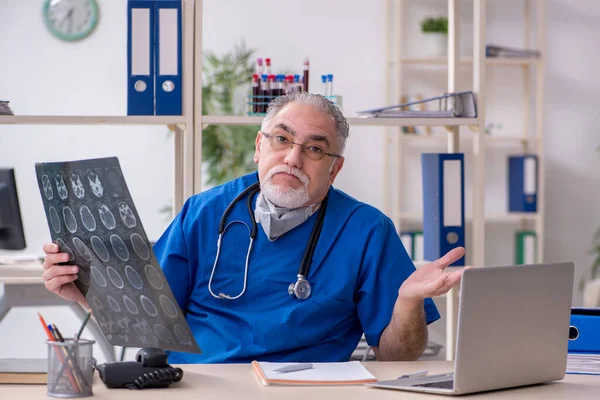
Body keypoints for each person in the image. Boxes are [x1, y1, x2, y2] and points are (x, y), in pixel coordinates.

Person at [41, 92, 465, 364]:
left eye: (314, 148)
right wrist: (84, 295)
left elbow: (398, 356)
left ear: (334, 169)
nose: (293, 159)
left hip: (309, 392)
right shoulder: (204, 213)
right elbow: (149, 325)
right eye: (281, 139)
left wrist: (408, 301)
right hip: (202, 387)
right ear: (260, 146)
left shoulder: (367, 230)